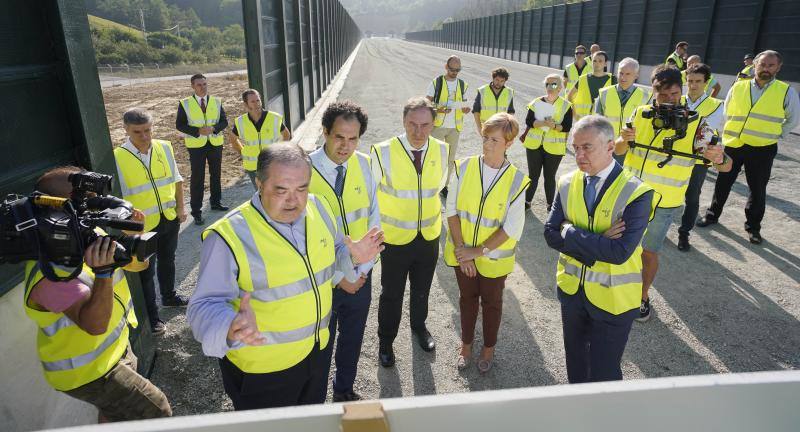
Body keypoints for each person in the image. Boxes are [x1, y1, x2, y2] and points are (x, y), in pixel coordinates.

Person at [187, 143, 384, 410]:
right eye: (281, 190)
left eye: (302, 188)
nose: (294, 200)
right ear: (259, 183)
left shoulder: (320, 208)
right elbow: (202, 306)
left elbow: (333, 252)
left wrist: (352, 256)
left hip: (315, 355)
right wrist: (229, 326)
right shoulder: (228, 236)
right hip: (263, 373)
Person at [23, 166, 172, 421]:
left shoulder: (87, 233)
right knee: (157, 409)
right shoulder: (50, 272)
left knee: (114, 415)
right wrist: (102, 272)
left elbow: (137, 265)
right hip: (87, 371)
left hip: (114, 350)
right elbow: (95, 324)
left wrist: (132, 235)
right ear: (59, 208)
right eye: (83, 200)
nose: (92, 206)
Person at [616, 65, 731, 322]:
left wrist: (718, 156)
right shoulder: (640, 113)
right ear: (653, 92)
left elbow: (726, 165)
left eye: (675, 94)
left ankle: (642, 297)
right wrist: (624, 138)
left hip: (663, 204)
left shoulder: (696, 124)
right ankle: (616, 289)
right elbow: (619, 150)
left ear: (682, 92)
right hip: (630, 197)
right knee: (622, 246)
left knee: (648, 251)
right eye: (663, 95)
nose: (670, 100)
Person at [544, 115, 654, 383]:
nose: (579, 154)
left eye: (587, 147)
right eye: (576, 147)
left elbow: (619, 253)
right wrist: (599, 240)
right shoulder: (567, 182)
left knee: (604, 371)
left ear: (609, 146)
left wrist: (569, 231)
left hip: (613, 300)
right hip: (572, 293)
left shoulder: (636, 191)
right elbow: (549, 234)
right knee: (576, 364)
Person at [444, 113, 530, 374]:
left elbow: (512, 228)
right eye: (485, 137)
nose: (487, 144)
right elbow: (451, 210)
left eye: (494, 139)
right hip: (462, 256)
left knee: (492, 304)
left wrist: (477, 252)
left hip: (493, 260)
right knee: (466, 299)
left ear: (509, 143)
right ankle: (466, 345)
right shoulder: (463, 166)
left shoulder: (517, 180)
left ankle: (488, 348)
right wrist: (465, 254)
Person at [310, 101, 380, 402]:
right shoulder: (305, 170)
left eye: (353, 139)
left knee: (352, 340)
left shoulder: (364, 164)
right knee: (320, 344)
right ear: (325, 132)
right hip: (325, 281)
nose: (346, 146)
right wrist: (340, 277)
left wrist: (362, 270)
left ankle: (344, 391)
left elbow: (374, 219)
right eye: (339, 137)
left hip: (361, 275)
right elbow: (302, 239)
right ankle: (314, 401)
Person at [371, 97, 449, 367]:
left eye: (425, 125)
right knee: (391, 294)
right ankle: (385, 341)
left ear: (434, 123)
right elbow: (371, 198)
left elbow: (438, 187)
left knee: (422, 289)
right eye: (412, 125)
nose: (418, 132)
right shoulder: (382, 152)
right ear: (403, 122)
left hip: (428, 235)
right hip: (394, 239)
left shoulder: (441, 150)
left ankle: (419, 327)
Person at [697, 50, 800, 244]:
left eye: (771, 65)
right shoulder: (738, 87)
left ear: (778, 67)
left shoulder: (786, 91)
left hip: (762, 147)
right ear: (754, 66)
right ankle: (712, 215)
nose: (766, 69)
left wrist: (778, 134)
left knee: (757, 189)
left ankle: (753, 227)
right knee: (723, 182)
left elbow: (793, 119)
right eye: (762, 65)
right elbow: (727, 112)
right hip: (733, 144)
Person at [114, 108, 188, 334]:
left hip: (169, 218)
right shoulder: (117, 157)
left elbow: (176, 180)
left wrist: (181, 208)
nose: (145, 136)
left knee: (168, 259)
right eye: (138, 132)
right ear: (126, 130)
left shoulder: (164, 147)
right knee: (145, 270)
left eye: (148, 130)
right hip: (141, 226)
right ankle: (153, 318)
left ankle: (169, 296)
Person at [676, 63, 724, 252]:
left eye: (697, 81)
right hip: (673, 155)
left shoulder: (715, 106)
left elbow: (708, 133)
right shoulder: (676, 100)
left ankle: (684, 233)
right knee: (662, 192)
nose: (693, 85)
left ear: (706, 82)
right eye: (689, 81)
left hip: (698, 159)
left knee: (692, 197)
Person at [176, 73, 229, 226]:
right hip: (196, 146)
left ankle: (215, 202)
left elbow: (224, 121)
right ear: (192, 86)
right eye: (199, 85)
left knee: (216, 174)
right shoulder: (185, 103)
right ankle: (196, 211)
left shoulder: (216, 101)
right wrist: (197, 131)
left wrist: (214, 128)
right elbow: (180, 125)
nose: (202, 87)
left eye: (204, 84)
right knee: (197, 178)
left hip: (215, 143)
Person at [521, 74, 573, 211]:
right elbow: (528, 122)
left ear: (560, 88)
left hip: (554, 148)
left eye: (554, 84)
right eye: (547, 84)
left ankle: (551, 205)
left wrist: (554, 126)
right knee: (533, 175)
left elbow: (567, 127)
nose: (550, 87)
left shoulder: (566, 106)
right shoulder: (536, 102)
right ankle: (527, 201)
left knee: (549, 177)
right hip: (534, 146)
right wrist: (542, 123)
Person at [426, 55, 471, 196]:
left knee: (450, 159)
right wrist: (438, 109)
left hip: (455, 128)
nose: (455, 72)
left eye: (458, 70)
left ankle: (444, 186)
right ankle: (431, 184)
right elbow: (426, 103)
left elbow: (464, 103)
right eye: (452, 69)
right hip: (438, 126)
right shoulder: (437, 82)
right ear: (446, 67)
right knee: (434, 157)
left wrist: (465, 109)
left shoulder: (463, 84)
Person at [230, 89, 291, 189]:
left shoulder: (274, 118)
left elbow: (286, 135)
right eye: (253, 101)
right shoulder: (241, 121)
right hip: (253, 166)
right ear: (245, 104)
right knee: (261, 193)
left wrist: (279, 151)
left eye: (258, 100)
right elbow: (233, 139)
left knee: (275, 191)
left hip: (272, 164)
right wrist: (242, 151)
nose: (257, 104)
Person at [594, 57, 651, 164]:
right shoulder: (604, 93)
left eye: (628, 74)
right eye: (621, 73)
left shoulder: (646, 97)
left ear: (636, 75)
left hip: (632, 149)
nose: (623, 77)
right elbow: (597, 124)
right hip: (607, 148)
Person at [568, 51, 615, 121]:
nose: (597, 63)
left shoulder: (612, 79)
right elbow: (569, 96)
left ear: (605, 64)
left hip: (602, 121)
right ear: (591, 62)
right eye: (594, 61)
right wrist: (575, 114)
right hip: (584, 121)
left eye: (600, 61)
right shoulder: (583, 79)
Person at [473, 67, 515, 132]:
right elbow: (476, 111)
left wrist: (509, 128)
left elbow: (510, 112)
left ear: (505, 81)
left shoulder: (509, 92)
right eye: (497, 80)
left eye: (502, 81)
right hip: (486, 127)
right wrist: (479, 128)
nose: (499, 83)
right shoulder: (482, 90)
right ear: (493, 78)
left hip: (502, 129)